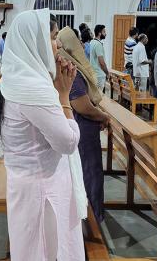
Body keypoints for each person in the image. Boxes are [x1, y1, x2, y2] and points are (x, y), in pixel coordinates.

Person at [0, 10, 86, 260]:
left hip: (24, 183)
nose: (58, 43)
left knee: (30, 249)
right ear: (34, 41)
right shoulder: (35, 91)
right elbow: (68, 142)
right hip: (44, 190)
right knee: (49, 250)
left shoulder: (14, 79)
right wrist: (64, 98)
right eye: (53, 36)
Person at [58, 26, 109, 224]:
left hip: (79, 126)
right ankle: (94, 217)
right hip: (82, 128)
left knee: (86, 170)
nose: (80, 44)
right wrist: (103, 117)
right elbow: (83, 106)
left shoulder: (66, 64)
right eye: (77, 41)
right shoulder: (71, 68)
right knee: (90, 170)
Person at [90, 24, 109, 90]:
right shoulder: (98, 44)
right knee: (99, 97)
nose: (105, 34)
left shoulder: (92, 42)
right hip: (99, 75)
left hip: (93, 73)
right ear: (99, 33)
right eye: (104, 32)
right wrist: (107, 73)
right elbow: (101, 62)